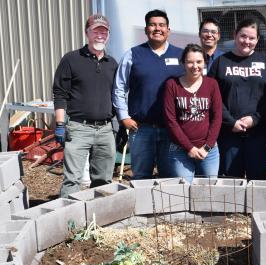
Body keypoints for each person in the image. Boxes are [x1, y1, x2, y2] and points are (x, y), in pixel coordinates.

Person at [113, 9, 183, 179]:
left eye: (161, 25)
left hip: (171, 129)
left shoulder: (181, 55)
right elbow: (119, 87)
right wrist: (123, 117)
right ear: (146, 30)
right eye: (152, 25)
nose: (157, 28)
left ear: (168, 30)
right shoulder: (133, 54)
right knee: (141, 177)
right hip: (141, 128)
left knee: (170, 178)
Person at [53, 14, 118, 198]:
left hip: (105, 129)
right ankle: (69, 221)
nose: (100, 35)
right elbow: (60, 93)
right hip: (78, 128)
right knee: (72, 179)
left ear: (108, 35)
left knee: (104, 180)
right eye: (95, 31)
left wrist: (119, 124)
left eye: (104, 31)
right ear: (86, 33)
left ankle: (99, 219)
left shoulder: (112, 63)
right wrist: (59, 125)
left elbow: (118, 95)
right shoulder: (71, 59)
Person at [208, 18, 266, 180]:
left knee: (258, 181)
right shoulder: (221, 63)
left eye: (252, 38)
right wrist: (230, 122)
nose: (246, 41)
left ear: (257, 40)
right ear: (235, 35)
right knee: (231, 182)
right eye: (243, 36)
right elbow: (212, 97)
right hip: (228, 135)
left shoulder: (265, 63)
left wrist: (255, 119)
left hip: (259, 134)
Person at [163, 44, 222, 182]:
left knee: (209, 192)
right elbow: (170, 120)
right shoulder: (172, 85)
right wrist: (189, 148)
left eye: (199, 61)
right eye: (190, 62)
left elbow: (217, 117)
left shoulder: (212, 84)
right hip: (180, 150)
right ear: (183, 63)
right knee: (184, 191)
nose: (195, 66)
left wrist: (207, 147)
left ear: (205, 63)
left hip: (209, 151)